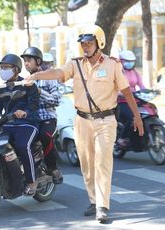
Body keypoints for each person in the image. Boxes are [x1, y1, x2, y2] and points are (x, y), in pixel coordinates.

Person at [25, 24, 144, 223]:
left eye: (89, 43)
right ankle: (93, 199)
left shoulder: (112, 65)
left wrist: (137, 116)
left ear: (100, 43)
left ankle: (102, 206)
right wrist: (36, 75)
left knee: (103, 162)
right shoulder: (75, 64)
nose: (85, 47)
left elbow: (126, 91)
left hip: (105, 120)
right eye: (83, 43)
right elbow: (57, 72)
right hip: (81, 121)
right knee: (87, 165)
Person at [0, 53, 40, 196]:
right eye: (2, 67)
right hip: (8, 124)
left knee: (22, 146)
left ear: (17, 70)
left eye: (7, 67)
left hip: (28, 123)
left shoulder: (28, 84)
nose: (3, 70)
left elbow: (34, 105)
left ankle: (31, 181)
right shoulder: (1, 89)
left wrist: (24, 112)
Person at [21, 47, 63, 184]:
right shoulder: (24, 80)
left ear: (38, 61)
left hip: (47, 118)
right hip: (30, 120)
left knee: (45, 136)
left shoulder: (49, 78)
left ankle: (53, 168)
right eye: (24, 61)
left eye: (29, 60)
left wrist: (39, 91)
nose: (26, 63)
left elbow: (56, 100)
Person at [117, 50, 146, 147]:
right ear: (121, 61)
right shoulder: (118, 72)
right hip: (122, 101)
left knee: (147, 112)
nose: (130, 63)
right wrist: (119, 92)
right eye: (127, 61)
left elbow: (141, 85)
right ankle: (122, 137)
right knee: (133, 116)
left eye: (132, 61)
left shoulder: (135, 73)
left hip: (135, 99)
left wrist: (147, 91)